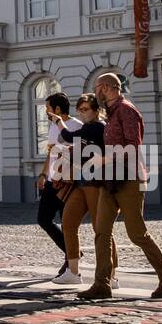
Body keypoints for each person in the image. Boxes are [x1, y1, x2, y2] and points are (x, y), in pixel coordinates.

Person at [78, 73, 162, 301]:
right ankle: (102, 283)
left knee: (137, 233)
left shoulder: (127, 111)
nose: (96, 94)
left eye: (97, 89)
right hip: (110, 180)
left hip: (130, 179)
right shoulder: (111, 114)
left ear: (105, 88)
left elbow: (133, 147)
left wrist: (103, 159)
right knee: (101, 232)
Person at [54, 93, 118, 287]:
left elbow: (67, 136)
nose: (82, 113)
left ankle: (112, 275)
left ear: (96, 110)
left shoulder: (97, 127)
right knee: (68, 222)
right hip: (81, 182)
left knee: (101, 228)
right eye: (80, 110)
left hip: (96, 183)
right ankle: (73, 272)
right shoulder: (87, 128)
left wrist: (58, 122)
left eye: (85, 110)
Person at [37, 92, 83, 277]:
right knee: (43, 219)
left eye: (48, 108)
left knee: (67, 224)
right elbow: (51, 153)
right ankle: (71, 252)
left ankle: (70, 262)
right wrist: (43, 173)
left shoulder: (77, 126)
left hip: (69, 183)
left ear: (57, 109)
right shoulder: (53, 128)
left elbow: (81, 156)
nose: (46, 112)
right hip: (51, 181)